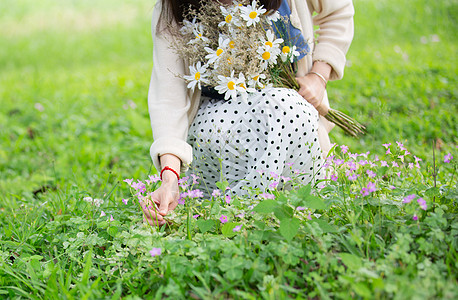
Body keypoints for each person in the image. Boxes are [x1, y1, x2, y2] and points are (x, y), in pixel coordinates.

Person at [143, 0, 354, 226]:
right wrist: (169, 179)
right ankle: (237, 217)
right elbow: (168, 98)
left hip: (287, 115)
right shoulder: (174, 8)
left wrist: (318, 77)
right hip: (216, 128)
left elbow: (338, 11)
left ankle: (292, 212)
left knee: (287, 106)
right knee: (266, 112)